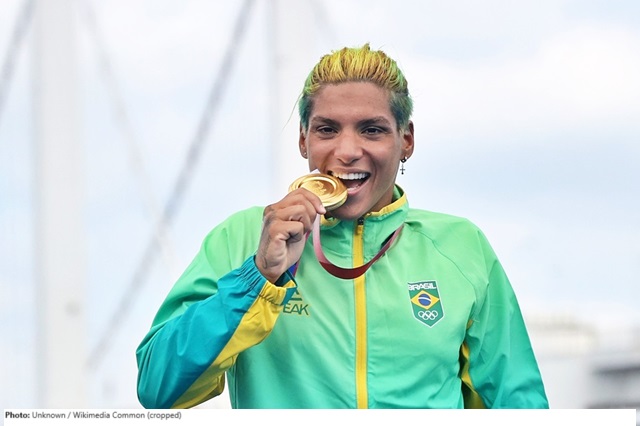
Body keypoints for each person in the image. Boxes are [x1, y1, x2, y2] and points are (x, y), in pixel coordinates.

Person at [136, 43, 548, 409]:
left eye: (372, 130)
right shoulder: (244, 237)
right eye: (327, 130)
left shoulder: (461, 247)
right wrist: (259, 276)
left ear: (406, 140)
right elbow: (158, 388)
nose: (347, 151)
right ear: (304, 140)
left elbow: (518, 405)